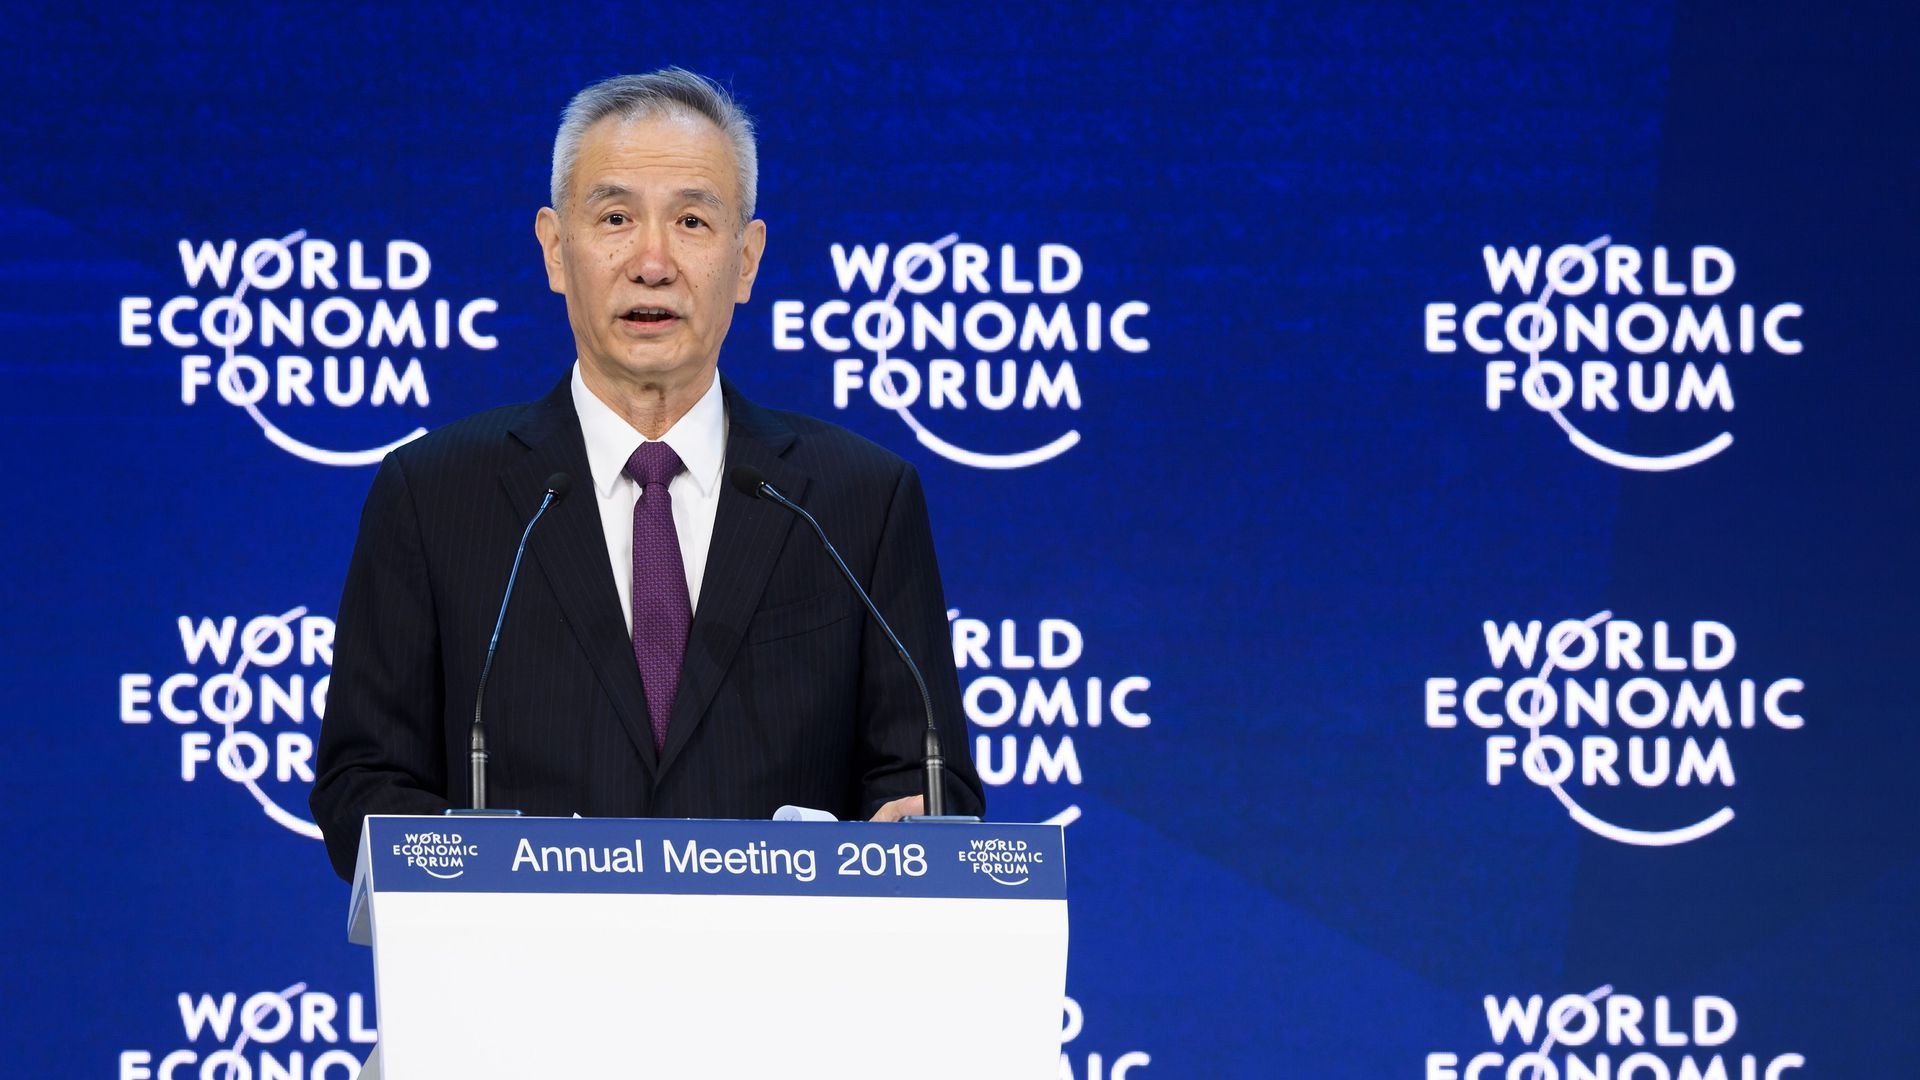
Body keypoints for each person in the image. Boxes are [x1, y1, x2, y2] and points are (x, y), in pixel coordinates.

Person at [310, 68, 983, 882]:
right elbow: (363, 785)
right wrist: (507, 875)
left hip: (778, 961)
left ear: (746, 260)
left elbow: (927, 781)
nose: (653, 262)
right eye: (616, 218)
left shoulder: (857, 500)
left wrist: (912, 828)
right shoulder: (433, 494)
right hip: (527, 961)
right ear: (555, 250)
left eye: (692, 221)